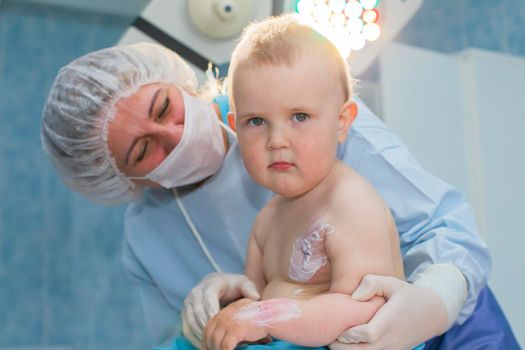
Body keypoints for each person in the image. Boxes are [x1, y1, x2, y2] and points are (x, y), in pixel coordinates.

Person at [40, 41, 518, 349]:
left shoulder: (309, 114)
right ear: (120, 180)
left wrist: (435, 300)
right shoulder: (148, 238)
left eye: (164, 106)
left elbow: (448, 232)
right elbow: (201, 333)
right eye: (144, 149)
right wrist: (202, 326)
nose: (174, 133)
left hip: (449, 331)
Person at [197, 14, 406, 350]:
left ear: (341, 122)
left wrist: (263, 317)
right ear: (235, 127)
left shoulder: (350, 203)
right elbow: (256, 304)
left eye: (299, 116)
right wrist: (234, 318)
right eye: (257, 121)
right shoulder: (266, 220)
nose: (276, 139)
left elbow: (364, 310)